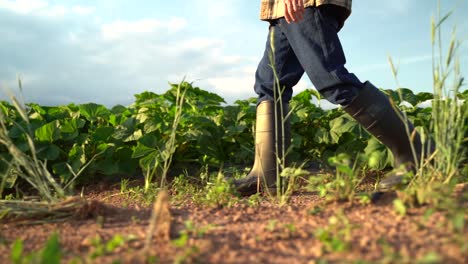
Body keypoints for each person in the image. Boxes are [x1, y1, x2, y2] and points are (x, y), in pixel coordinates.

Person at [232, 0, 423, 196]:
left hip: (306, 5)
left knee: (332, 79)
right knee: (269, 86)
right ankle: (267, 175)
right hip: (280, 10)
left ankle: (414, 152)